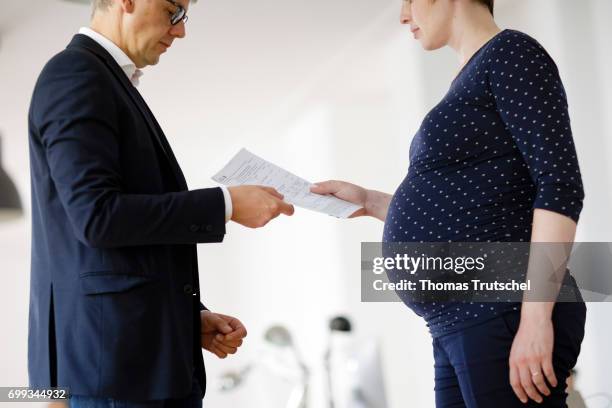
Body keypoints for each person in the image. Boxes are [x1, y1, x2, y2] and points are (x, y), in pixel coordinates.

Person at [311, 0, 586, 406]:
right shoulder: (469, 76)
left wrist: (534, 318)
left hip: (502, 306)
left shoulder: (512, 53)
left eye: (408, 1)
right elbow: (470, 203)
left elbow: (560, 185)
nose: (404, 16)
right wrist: (370, 202)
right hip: (458, 319)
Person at [27, 0, 294, 406]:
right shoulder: (77, 74)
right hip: (118, 377)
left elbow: (115, 246)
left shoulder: (102, 79)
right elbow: (97, 218)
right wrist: (225, 205)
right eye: (173, 11)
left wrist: (188, 318)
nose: (180, 30)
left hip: (136, 369)